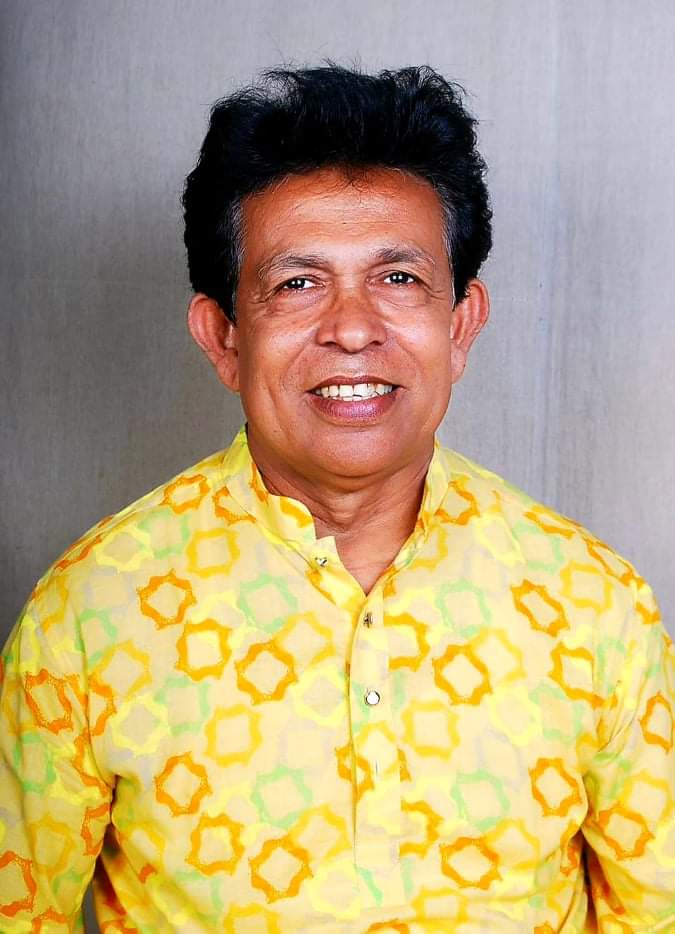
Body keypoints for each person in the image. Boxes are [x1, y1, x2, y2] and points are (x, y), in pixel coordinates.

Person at [1, 64, 673, 933]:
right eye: (297, 283)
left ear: (461, 324)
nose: (352, 329)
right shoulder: (92, 612)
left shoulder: (591, 602)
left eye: (398, 279)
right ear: (222, 336)